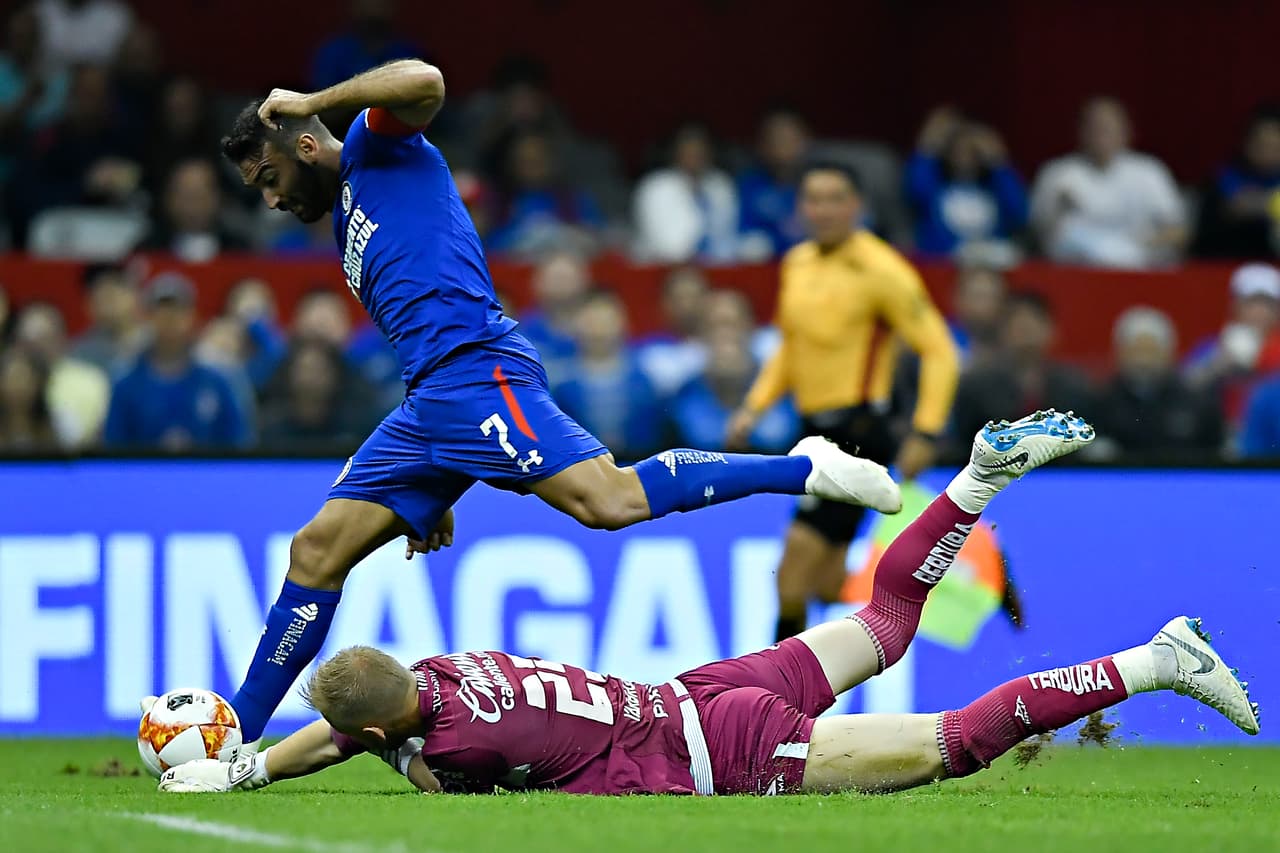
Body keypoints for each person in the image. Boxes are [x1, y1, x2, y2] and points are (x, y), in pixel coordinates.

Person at [210, 60, 903, 749]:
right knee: (316, 548)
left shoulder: (373, 142)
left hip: (479, 370)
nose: (269, 201)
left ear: (304, 145)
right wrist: (434, 482)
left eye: (268, 179)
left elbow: (427, 81)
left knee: (610, 501)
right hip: (433, 403)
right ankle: (236, 738)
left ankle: (803, 468)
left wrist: (314, 98)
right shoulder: (349, 216)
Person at [156, 411, 1261, 798]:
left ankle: (1157, 658)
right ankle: (973, 476)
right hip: (703, 688)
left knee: (949, 744)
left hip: (725, 745)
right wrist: (254, 762)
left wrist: (257, 761)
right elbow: (363, 722)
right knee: (884, 623)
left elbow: (396, 753)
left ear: (380, 730)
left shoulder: (458, 740)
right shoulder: (441, 672)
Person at [727, 159, 960, 642]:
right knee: (827, 582)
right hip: (811, 431)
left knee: (791, 576)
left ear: (856, 205)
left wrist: (927, 430)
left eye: (836, 198)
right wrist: (754, 406)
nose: (824, 209)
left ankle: (777, 697)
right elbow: (791, 347)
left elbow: (939, 351)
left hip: (858, 434)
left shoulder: (882, 271)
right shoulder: (797, 264)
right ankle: (935, 591)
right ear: (801, 207)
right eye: (814, 199)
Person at [1030, 97, 1186, 268]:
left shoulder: (1150, 172)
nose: (1101, 135)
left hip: (1140, 270)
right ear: (1080, 131)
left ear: (1126, 131)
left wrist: (1131, 247)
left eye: (1108, 128)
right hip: (1073, 273)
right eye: (1095, 127)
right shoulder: (1057, 174)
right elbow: (1037, 232)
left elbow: (1179, 232)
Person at [103, 273, 252, 450]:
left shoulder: (219, 376)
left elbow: (237, 441)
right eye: (162, 311)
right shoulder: (126, 379)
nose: (170, 319)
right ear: (147, 317)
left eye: (177, 311)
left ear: (192, 316)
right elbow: (114, 445)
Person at [951, 292, 1094, 442]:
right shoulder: (976, 387)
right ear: (1002, 332)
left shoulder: (1075, 387)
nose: (1027, 332)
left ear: (1052, 331)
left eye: (1034, 323)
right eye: (1019, 325)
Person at [1092, 307, 1223, 458]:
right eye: (1136, 350)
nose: (1143, 360)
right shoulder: (1101, 405)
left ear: (1170, 353)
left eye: (1151, 350)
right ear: (1119, 353)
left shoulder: (1197, 405)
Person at [552, 289, 664, 461]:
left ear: (622, 322)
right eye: (592, 322)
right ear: (576, 324)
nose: (599, 330)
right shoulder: (562, 384)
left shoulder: (647, 379)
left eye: (605, 321)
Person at [905, 107, 1028, 257]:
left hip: (988, 261)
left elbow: (1018, 211)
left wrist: (998, 161)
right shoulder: (935, 187)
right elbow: (916, 188)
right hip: (944, 261)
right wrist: (929, 144)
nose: (964, 157)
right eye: (957, 151)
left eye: (971, 151)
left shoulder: (994, 188)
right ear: (947, 153)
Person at [632, 122, 739, 264]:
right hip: (661, 269)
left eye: (700, 151)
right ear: (675, 153)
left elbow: (729, 233)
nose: (695, 157)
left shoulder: (720, 184)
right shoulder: (656, 187)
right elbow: (669, 248)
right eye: (688, 151)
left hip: (717, 267)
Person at [1195, 104, 1280, 259]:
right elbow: (1236, 206)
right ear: (1247, 143)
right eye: (1262, 145)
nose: (1268, 152)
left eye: (1275, 146)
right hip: (1224, 261)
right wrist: (1272, 203)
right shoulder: (1225, 176)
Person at [137, 158, 249, 261]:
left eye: (201, 195)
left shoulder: (239, 251)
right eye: (185, 195)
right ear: (168, 199)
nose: (194, 204)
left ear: (219, 198)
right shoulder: (147, 252)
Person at [737, 108, 811, 259]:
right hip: (766, 270)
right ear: (762, 145)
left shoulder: (823, 184)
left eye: (789, 139)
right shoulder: (750, 187)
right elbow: (746, 239)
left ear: (804, 141)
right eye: (775, 139)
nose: (782, 147)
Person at [70, 262, 144, 376]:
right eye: (99, 289)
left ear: (135, 294)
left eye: (117, 285)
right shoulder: (80, 353)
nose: (109, 295)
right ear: (88, 305)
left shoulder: (158, 342)